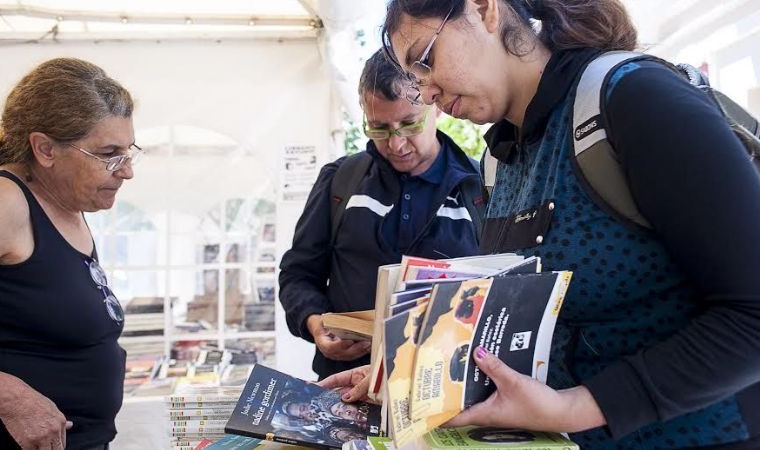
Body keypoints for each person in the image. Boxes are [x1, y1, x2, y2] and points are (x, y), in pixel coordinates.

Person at [323, 0, 760, 448]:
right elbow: (514, 325)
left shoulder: (632, 99)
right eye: (416, 80)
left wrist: (575, 407)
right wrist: (406, 369)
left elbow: (751, 315)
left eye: (426, 59)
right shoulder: (497, 160)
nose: (428, 91)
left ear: (483, 9)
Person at [0, 58, 140, 449]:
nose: (126, 171)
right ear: (44, 149)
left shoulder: (65, 201)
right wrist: (10, 398)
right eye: (108, 153)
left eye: (129, 151)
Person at [279, 49, 485, 380]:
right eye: (378, 128)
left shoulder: (482, 188)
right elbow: (297, 275)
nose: (396, 144)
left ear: (437, 106)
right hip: (346, 384)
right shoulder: (340, 180)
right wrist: (314, 322)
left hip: (445, 388)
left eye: (409, 124)